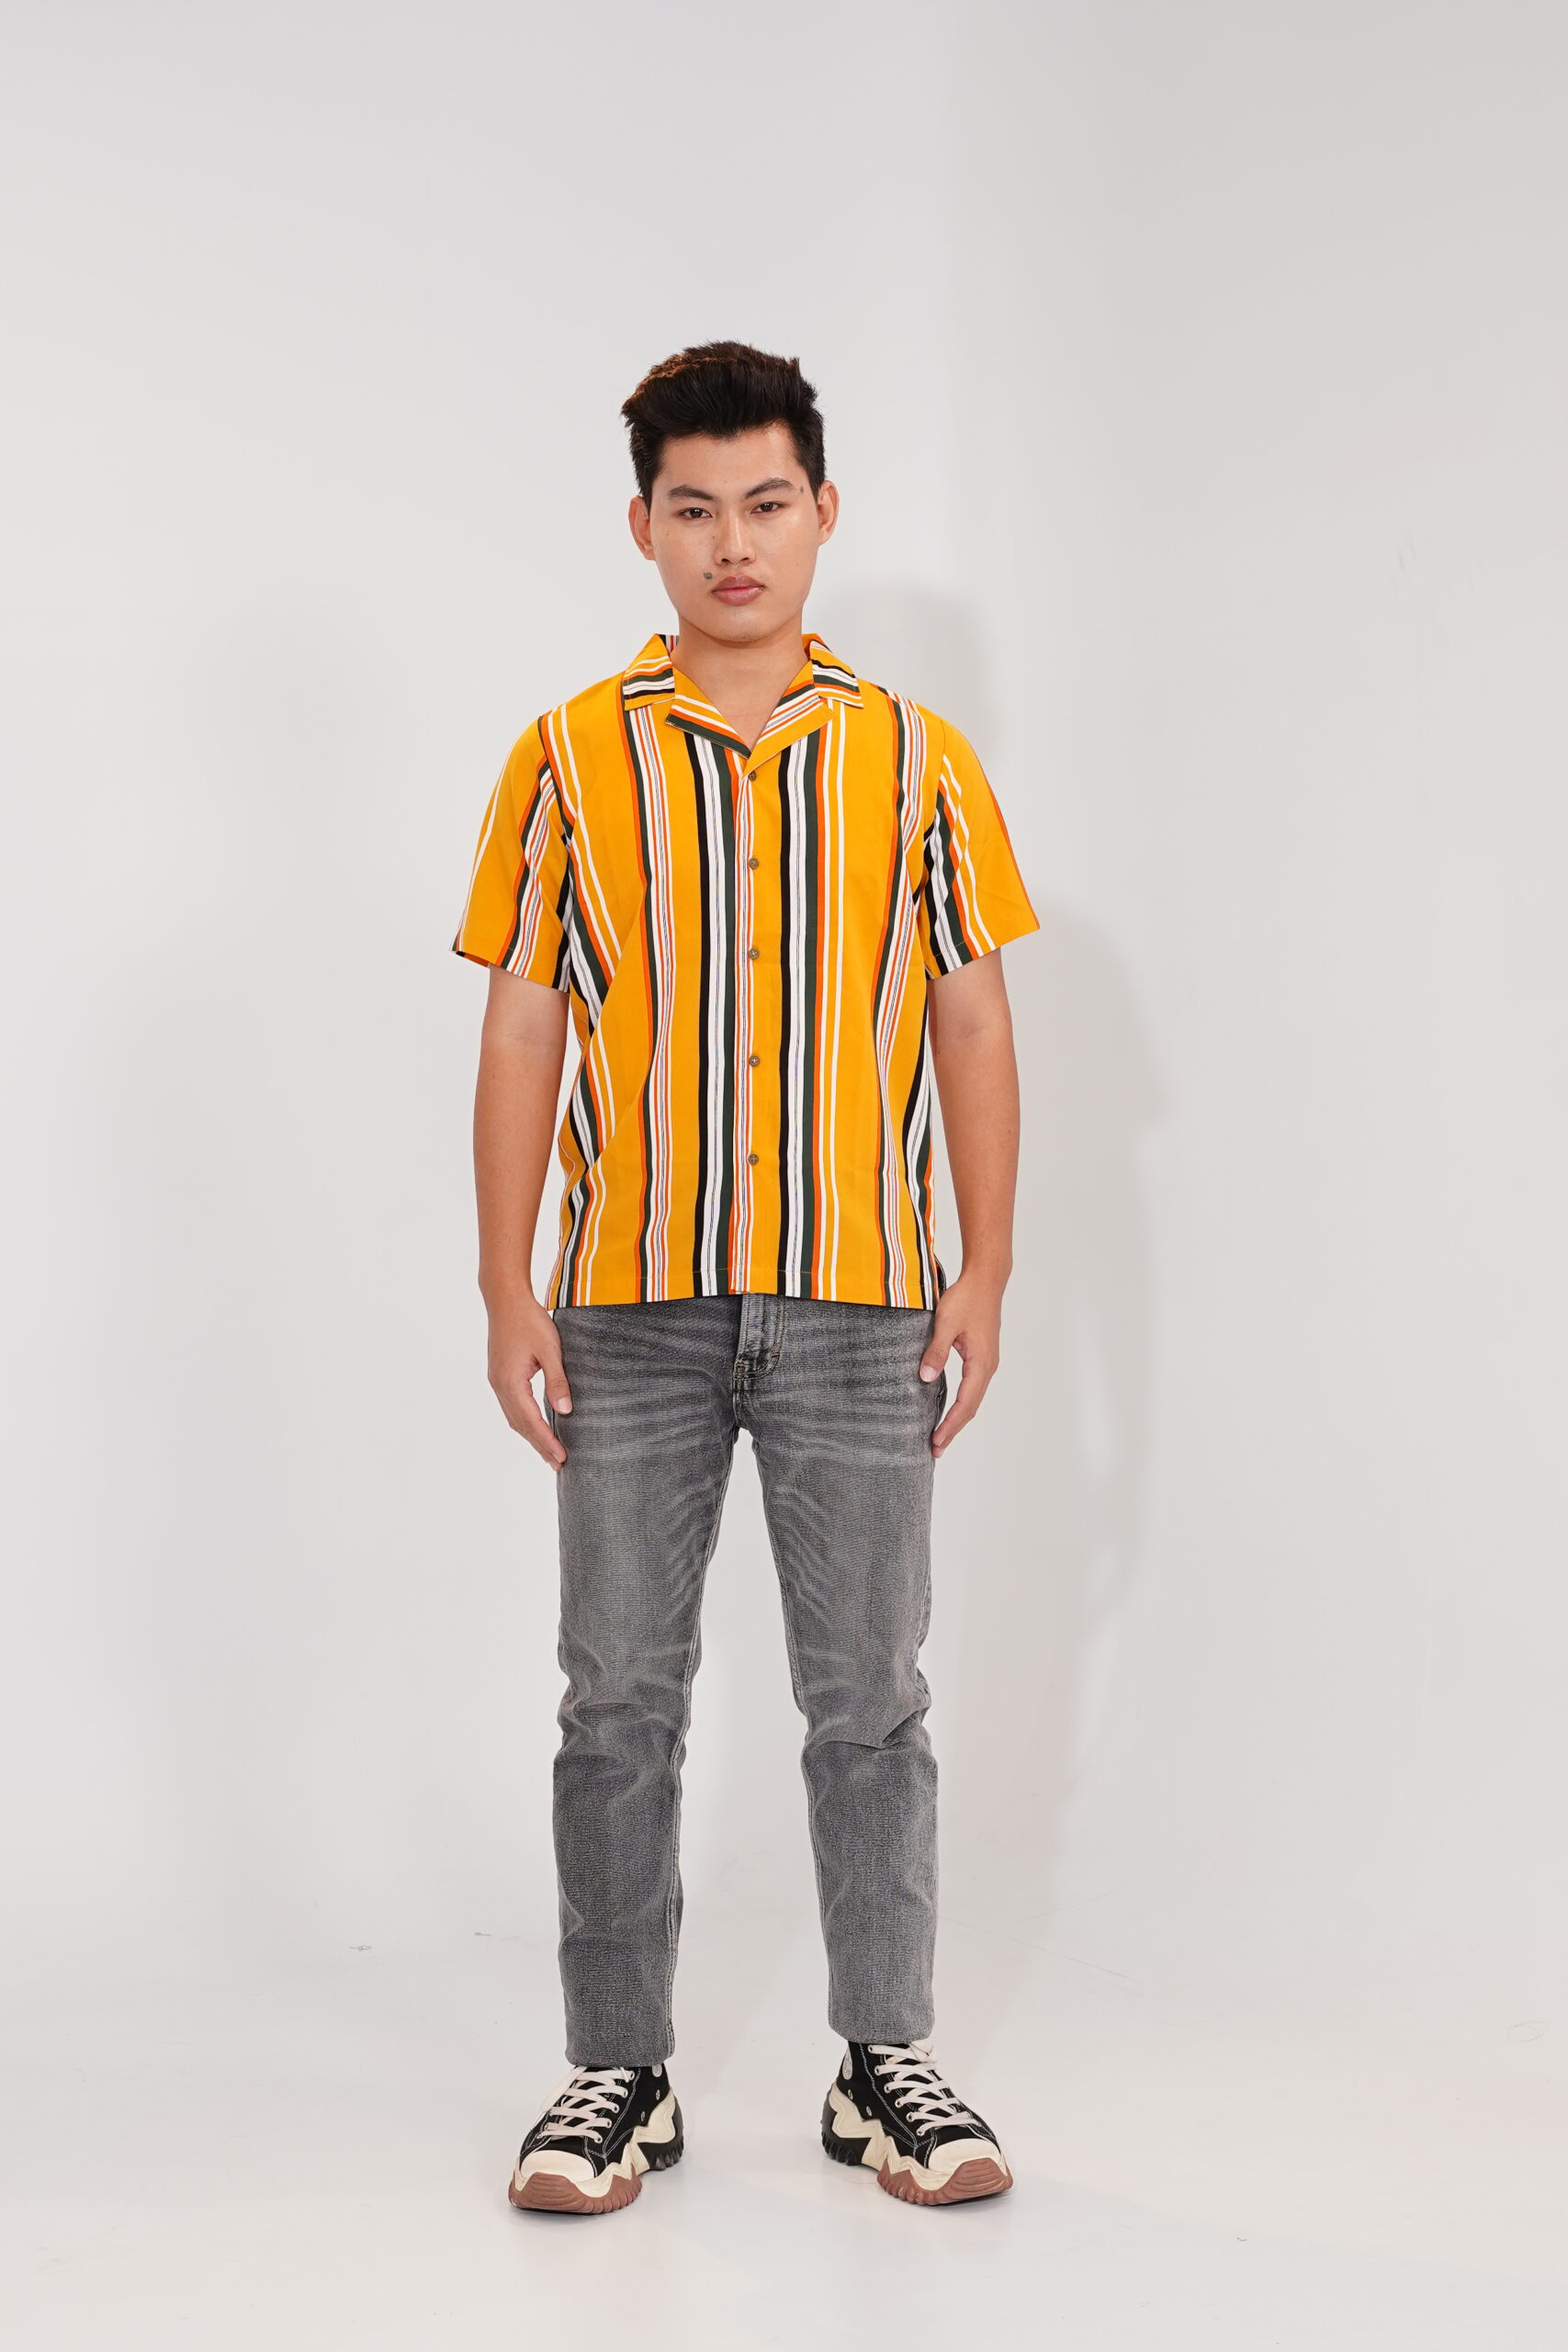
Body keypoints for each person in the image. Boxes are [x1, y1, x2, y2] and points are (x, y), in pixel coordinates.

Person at [449, 341, 1041, 2214]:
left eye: (765, 503)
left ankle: (885, 2062)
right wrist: (505, 1286)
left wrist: (985, 1268)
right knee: (616, 1697)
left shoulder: (917, 759)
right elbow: (522, 1026)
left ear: (822, 512)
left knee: (870, 1697)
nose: (733, 542)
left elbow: (972, 1014)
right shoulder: (565, 755)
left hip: (864, 1299)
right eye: (693, 507)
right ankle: (614, 2072)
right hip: (624, 1306)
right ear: (642, 524)